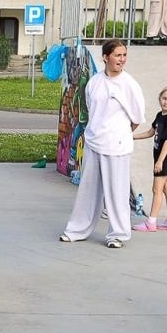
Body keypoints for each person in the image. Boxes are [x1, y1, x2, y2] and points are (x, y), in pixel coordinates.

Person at [59, 39, 145, 249]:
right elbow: (92, 110)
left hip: (117, 147)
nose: (122, 60)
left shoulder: (129, 85)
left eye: (124, 55)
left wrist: (119, 134)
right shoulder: (94, 82)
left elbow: (136, 118)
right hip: (93, 143)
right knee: (88, 190)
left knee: (117, 191)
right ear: (105, 57)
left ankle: (118, 234)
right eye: (118, 55)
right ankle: (77, 229)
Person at [133, 85, 167, 232]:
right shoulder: (160, 115)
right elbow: (151, 132)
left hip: (166, 157)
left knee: (156, 189)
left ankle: (151, 222)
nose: (165, 102)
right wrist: (133, 137)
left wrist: (160, 161)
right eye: (163, 98)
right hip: (164, 156)